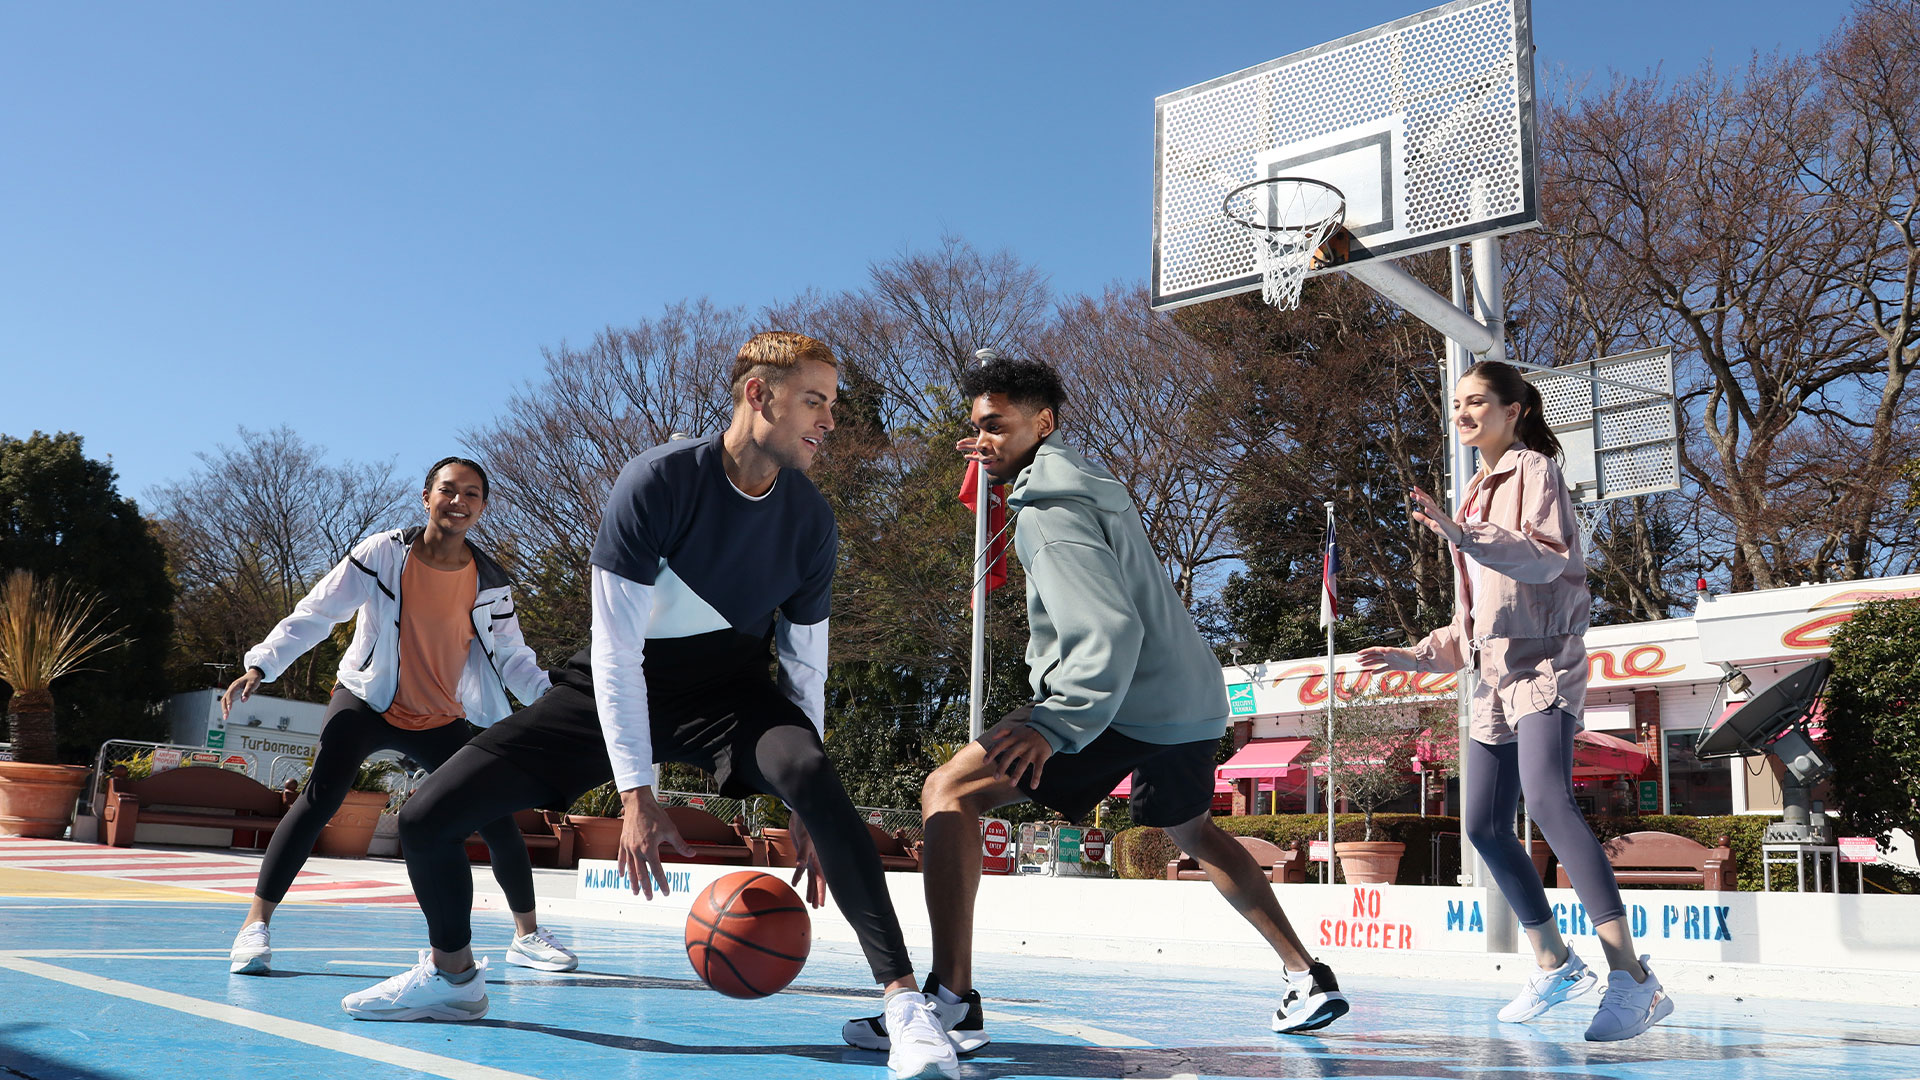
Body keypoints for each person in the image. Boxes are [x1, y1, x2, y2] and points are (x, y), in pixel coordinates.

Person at [338, 332, 960, 1080]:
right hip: (612, 685)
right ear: (758, 395)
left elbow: (803, 665)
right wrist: (636, 793)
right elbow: (617, 655)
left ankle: (903, 1008)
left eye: (832, 404)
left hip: (728, 694)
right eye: (815, 402)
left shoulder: (811, 522)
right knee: (425, 819)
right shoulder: (658, 482)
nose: (830, 420)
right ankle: (453, 978)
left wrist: (805, 803)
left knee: (811, 768)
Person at [843, 356, 1349, 1058]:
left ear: (1043, 422)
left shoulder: (1048, 511)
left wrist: (1058, 724)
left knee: (946, 791)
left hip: (1119, 701)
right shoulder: (1081, 479)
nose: (982, 439)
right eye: (975, 428)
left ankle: (951, 1004)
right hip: (1191, 699)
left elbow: (1110, 628)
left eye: (996, 425)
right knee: (1193, 829)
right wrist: (1001, 453)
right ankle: (1308, 975)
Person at [1357, 359, 1674, 1042]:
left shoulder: (1535, 471)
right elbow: (1473, 621)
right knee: (1481, 827)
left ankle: (1634, 980)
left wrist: (1462, 535)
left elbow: (1546, 558)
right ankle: (1556, 963)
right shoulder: (1470, 496)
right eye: (1457, 403)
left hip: (1542, 665)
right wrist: (1410, 654)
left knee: (1550, 801)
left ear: (1514, 410)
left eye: (1477, 401)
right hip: (1489, 677)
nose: (1463, 412)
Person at [223, 457, 575, 978]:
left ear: (483, 507)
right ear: (427, 497)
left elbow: (513, 656)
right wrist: (262, 663)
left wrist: (555, 699)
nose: (459, 502)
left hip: (440, 716)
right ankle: (256, 925)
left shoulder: (491, 581)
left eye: (472, 494)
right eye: (449, 491)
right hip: (367, 700)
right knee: (319, 800)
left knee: (497, 817)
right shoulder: (383, 553)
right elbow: (318, 612)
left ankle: (526, 935)